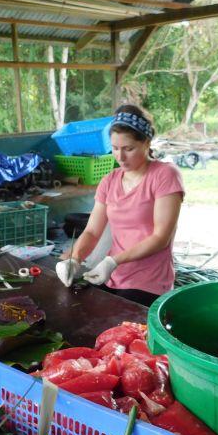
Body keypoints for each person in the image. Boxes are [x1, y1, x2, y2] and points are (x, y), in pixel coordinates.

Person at [55, 105, 184, 307]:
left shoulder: (164, 175)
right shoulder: (110, 181)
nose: (120, 157)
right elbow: (91, 231)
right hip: (113, 275)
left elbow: (161, 238)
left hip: (149, 283)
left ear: (146, 143)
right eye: (115, 148)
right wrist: (75, 259)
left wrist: (113, 260)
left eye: (128, 149)